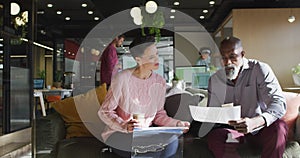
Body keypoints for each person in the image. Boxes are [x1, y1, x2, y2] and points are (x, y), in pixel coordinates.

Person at [98, 36, 190, 158]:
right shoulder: (122, 79)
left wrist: (177, 124)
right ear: (138, 60)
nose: (157, 59)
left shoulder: (160, 81)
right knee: (153, 150)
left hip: (146, 133)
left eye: (157, 54)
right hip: (120, 132)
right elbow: (105, 111)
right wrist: (124, 125)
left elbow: (158, 115)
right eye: (152, 57)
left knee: (173, 142)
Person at [206, 36, 287, 158]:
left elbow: (279, 103)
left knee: (279, 127)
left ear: (242, 54)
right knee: (215, 136)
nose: (228, 63)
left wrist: (256, 122)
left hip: (260, 128)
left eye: (233, 57)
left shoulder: (260, 69)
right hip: (234, 133)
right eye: (224, 58)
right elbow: (213, 113)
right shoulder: (215, 80)